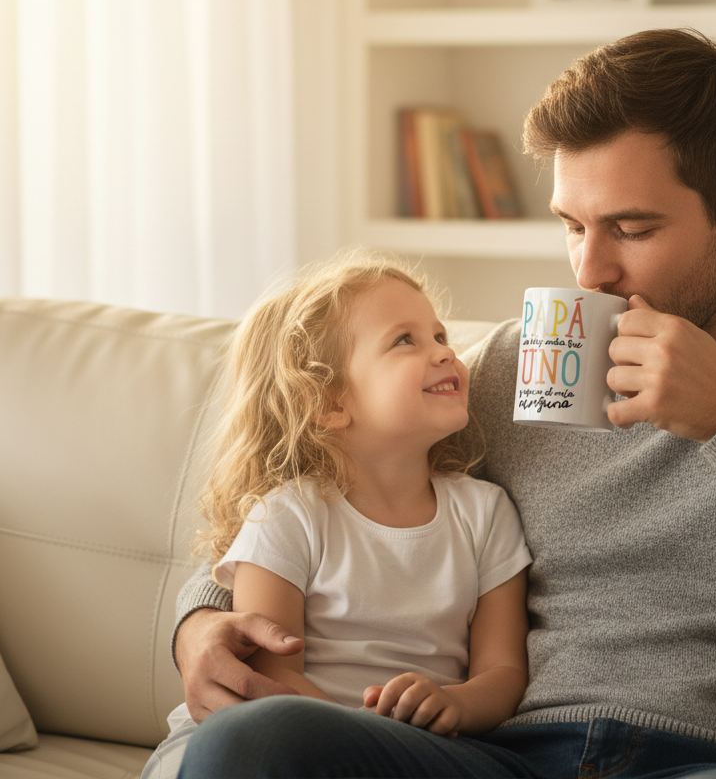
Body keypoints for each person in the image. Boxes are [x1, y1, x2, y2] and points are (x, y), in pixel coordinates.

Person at [172, 29, 716, 779]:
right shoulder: (518, 364)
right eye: (573, 224)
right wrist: (205, 627)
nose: (589, 272)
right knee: (248, 746)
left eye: (632, 230)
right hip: (504, 756)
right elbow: (328, 484)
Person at [144, 253, 531, 779]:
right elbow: (272, 680)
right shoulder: (285, 519)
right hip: (274, 744)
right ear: (328, 403)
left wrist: (456, 703)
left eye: (440, 336)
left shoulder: (486, 514)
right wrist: (357, 738)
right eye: (406, 340)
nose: (444, 353)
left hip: (412, 756)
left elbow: (504, 671)